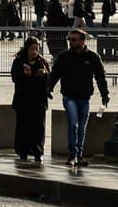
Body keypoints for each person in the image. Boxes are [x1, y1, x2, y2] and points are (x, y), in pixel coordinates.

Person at [47, 28, 109, 169]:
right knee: (73, 123)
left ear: (82, 41)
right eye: (69, 39)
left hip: (85, 97)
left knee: (82, 127)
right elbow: (55, 74)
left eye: (73, 40)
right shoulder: (64, 57)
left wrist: (105, 94)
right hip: (69, 97)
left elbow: (100, 76)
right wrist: (48, 88)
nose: (70, 42)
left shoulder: (92, 57)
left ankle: (79, 155)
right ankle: (72, 154)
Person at [10, 36, 50, 163]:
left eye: (36, 49)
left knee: (38, 127)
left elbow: (50, 80)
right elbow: (15, 77)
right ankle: (23, 150)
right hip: (23, 99)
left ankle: (38, 150)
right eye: (32, 49)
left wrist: (44, 75)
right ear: (27, 49)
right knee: (23, 126)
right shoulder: (19, 61)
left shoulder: (42, 62)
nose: (34, 52)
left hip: (38, 100)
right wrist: (25, 75)